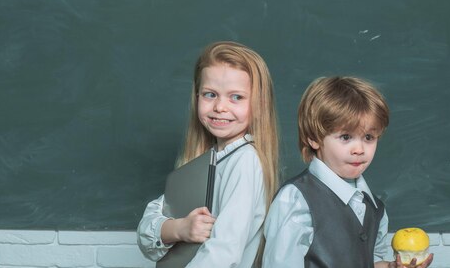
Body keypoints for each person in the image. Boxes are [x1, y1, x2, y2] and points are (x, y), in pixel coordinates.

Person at [262, 76, 434, 268]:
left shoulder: (374, 207)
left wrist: (391, 267)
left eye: (368, 137)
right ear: (313, 138)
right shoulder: (296, 200)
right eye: (346, 137)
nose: (359, 149)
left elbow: (370, 262)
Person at [137, 41, 280, 267]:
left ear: (259, 103)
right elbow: (146, 231)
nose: (220, 107)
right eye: (210, 94)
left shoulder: (245, 160)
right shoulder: (202, 162)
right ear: (196, 97)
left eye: (236, 97)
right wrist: (180, 228)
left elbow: (223, 252)